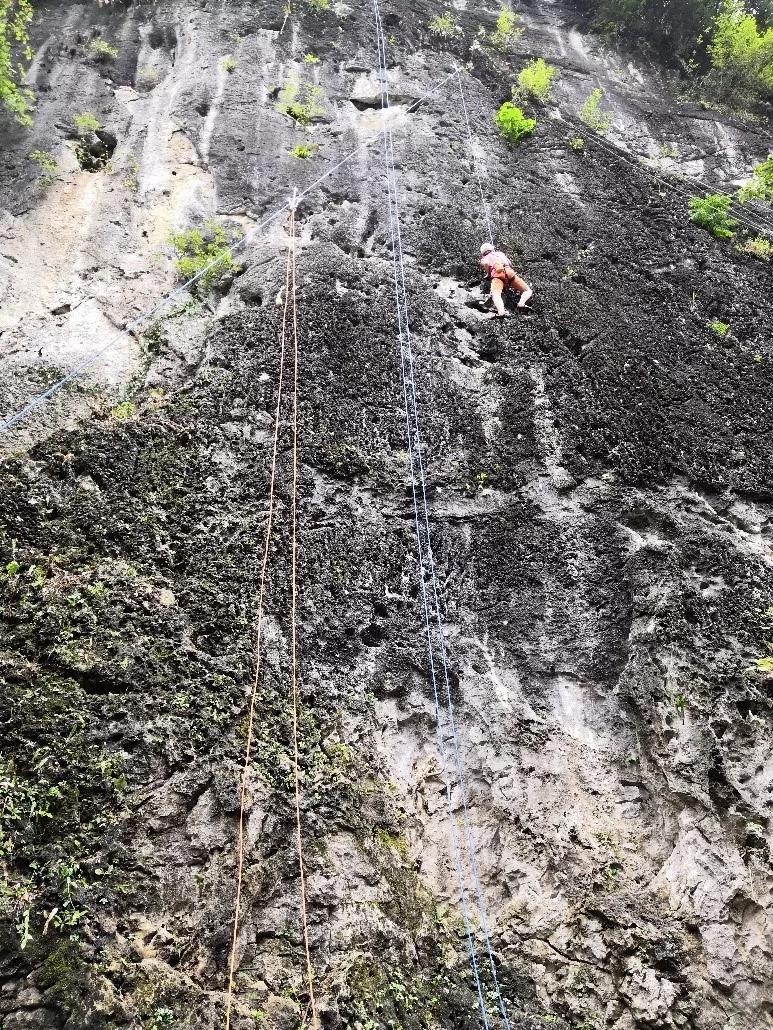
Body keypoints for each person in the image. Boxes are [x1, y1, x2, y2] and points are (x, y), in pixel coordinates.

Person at [479, 242, 532, 317]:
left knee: (496, 295)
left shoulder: (485, 258)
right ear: (491, 248)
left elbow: (486, 264)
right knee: (527, 290)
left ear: (483, 252)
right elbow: (509, 263)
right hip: (510, 273)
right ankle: (521, 304)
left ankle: (501, 312)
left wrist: (488, 273)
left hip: (497, 275)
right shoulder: (501, 254)